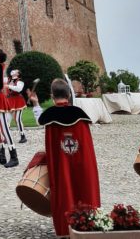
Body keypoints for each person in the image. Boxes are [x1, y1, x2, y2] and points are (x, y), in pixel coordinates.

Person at [26, 78, 100, 237]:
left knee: (63, 190)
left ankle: (65, 229)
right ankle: (88, 227)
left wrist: (36, 103)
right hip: (82, 163)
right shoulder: (80, 114)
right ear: (68, 94)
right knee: (84, 186)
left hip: (61, 164)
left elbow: (40, 119)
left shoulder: (50, 115)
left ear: (52, 95)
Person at [6, 69, 28, 143]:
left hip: (18, 101)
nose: (13, 71)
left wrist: (8, 86)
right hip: (10, 101)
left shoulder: (20, 81)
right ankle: (7, 137)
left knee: (17, 119)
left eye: (16, 71)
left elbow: (18, 89)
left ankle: (23, 136)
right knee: (7, 119)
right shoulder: (8, 79)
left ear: (18, 74)